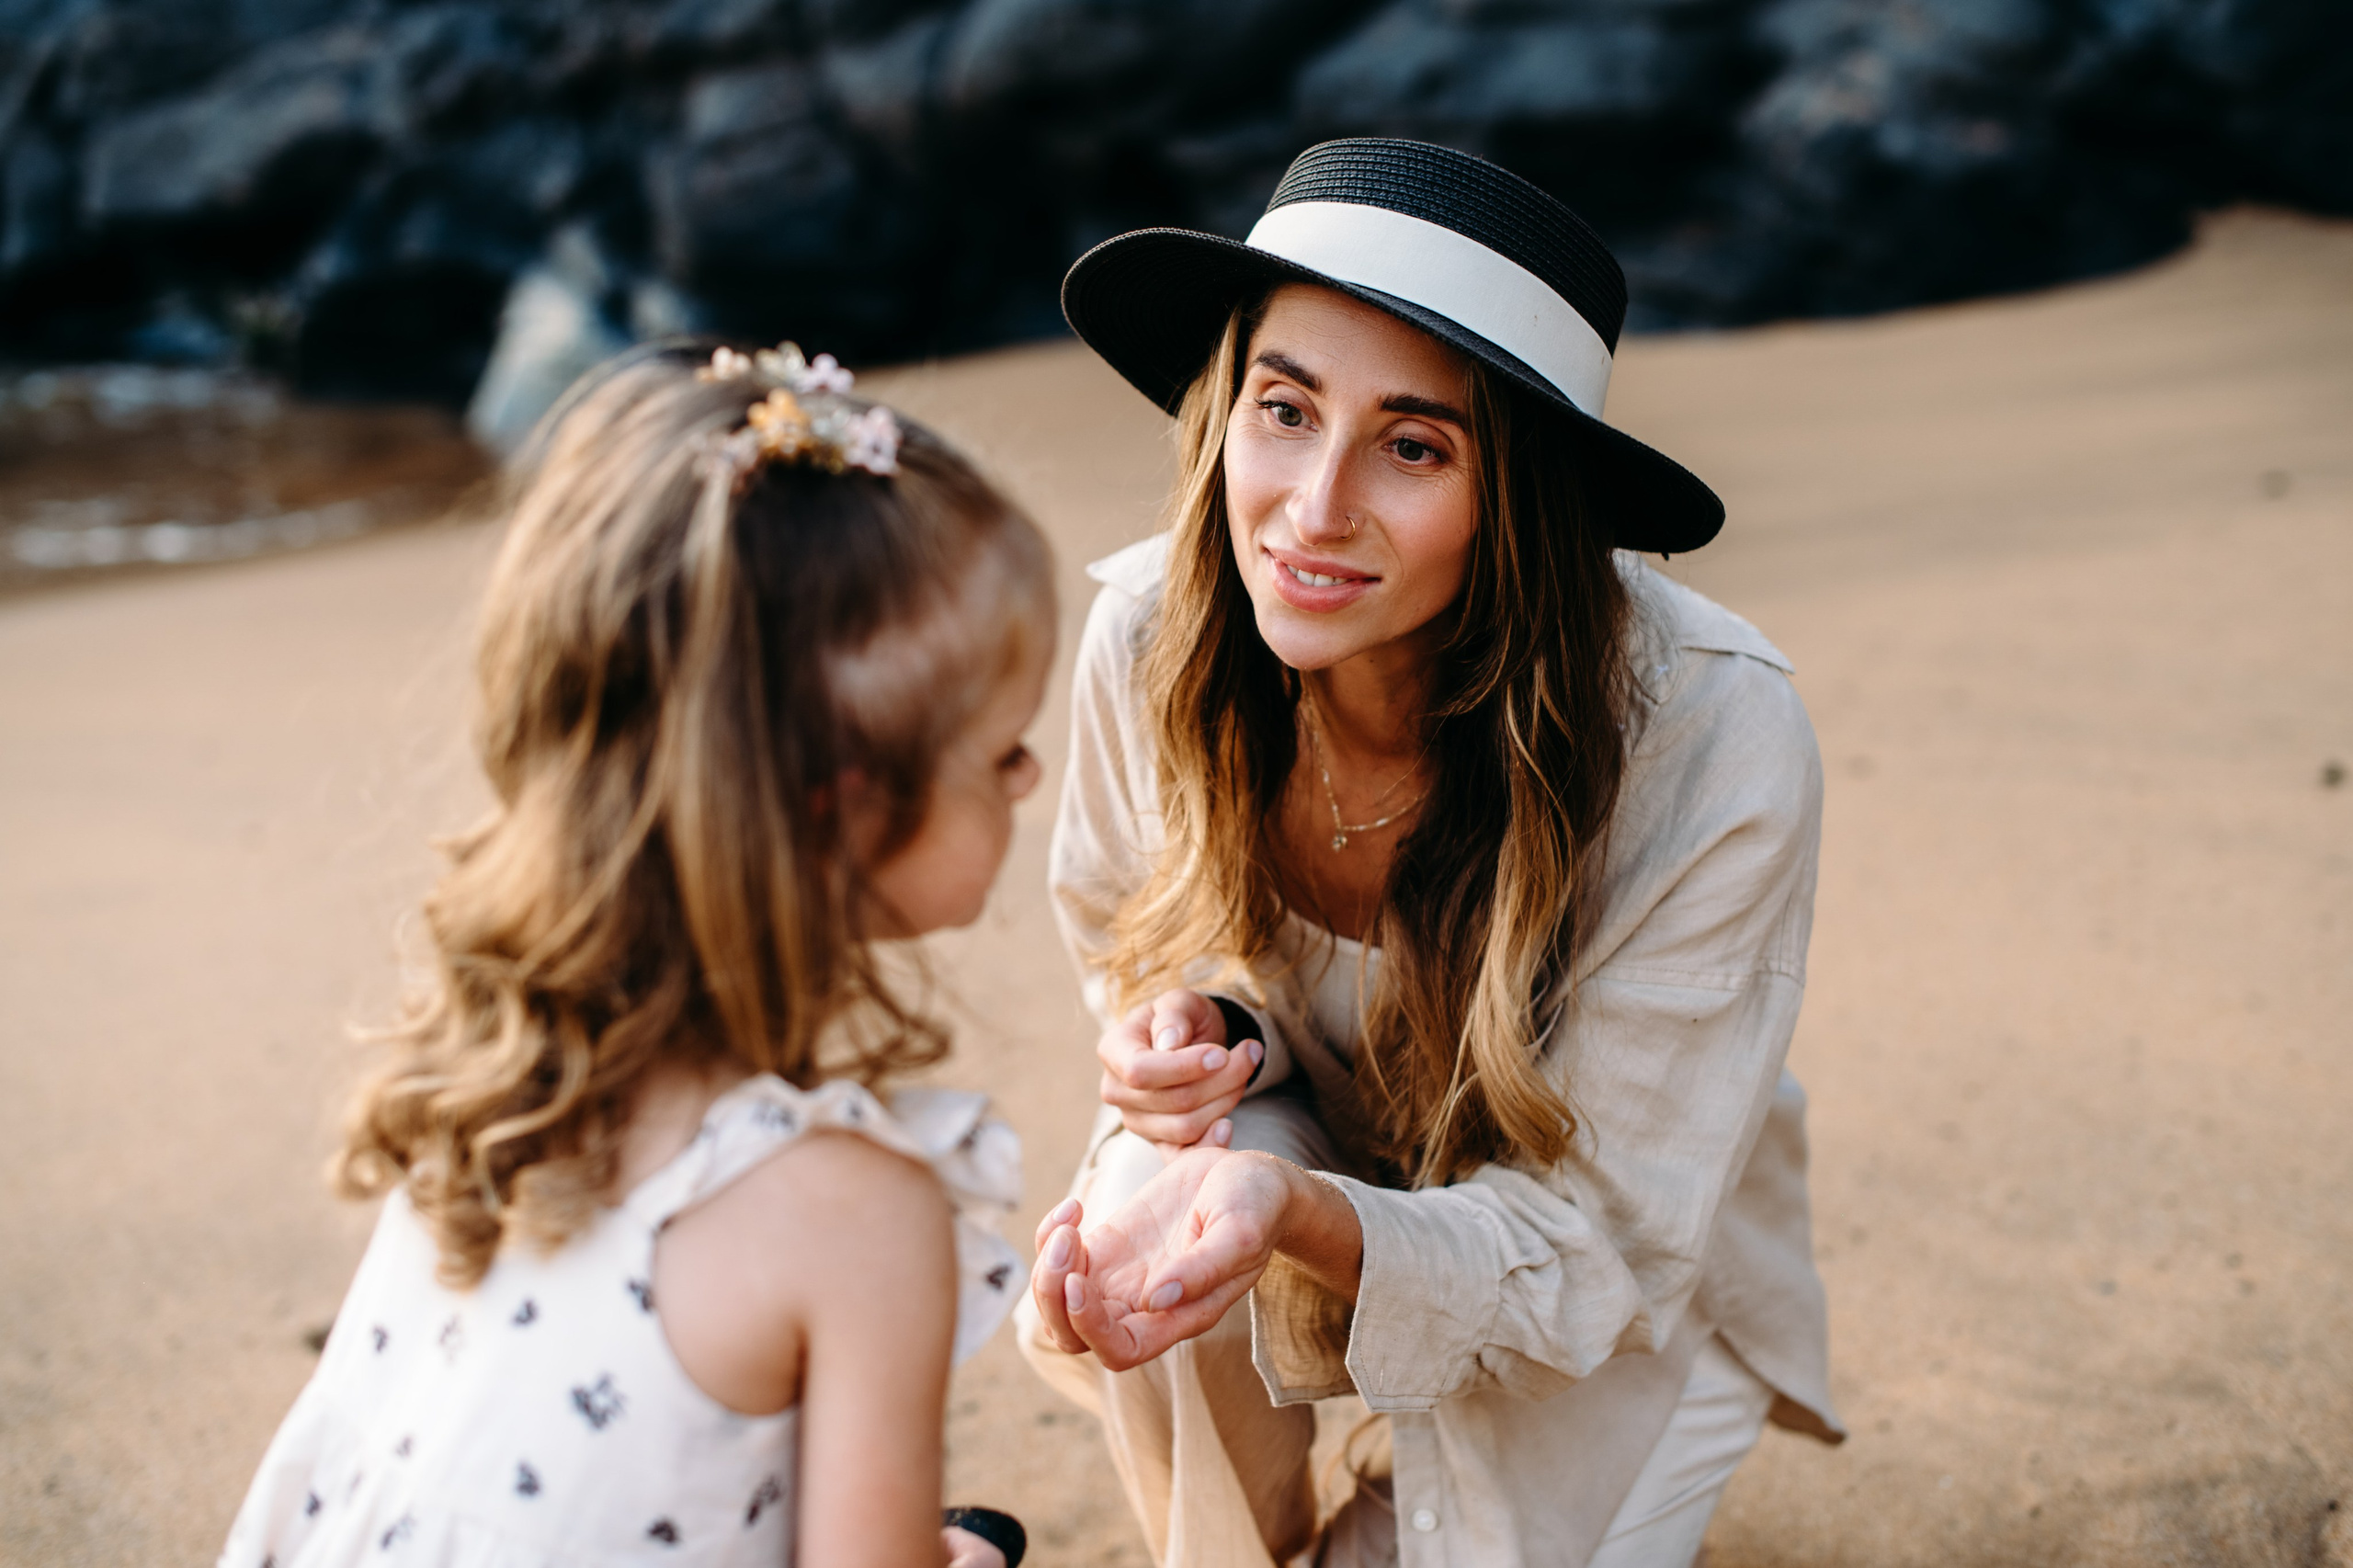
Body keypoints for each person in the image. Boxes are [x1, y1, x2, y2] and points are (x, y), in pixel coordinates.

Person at [1016, 139, 1845, 1568]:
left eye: (1413, 444)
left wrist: (1312, 1212)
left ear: (1514, 492)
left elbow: (1602, 1246)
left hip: (1598, 1296)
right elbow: (1127, 932)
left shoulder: (1711, 734)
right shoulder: (1153, 636)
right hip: (1312, 1154)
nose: (1313, 508)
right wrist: (1199, 1031)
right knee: (1152, 1193)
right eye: (1283, 409)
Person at [219, 342, 1052, 1568]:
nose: (1032, 777)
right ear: (841, 805)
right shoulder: (858, 1216)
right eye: (1001, 753)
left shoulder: (492, 1075)